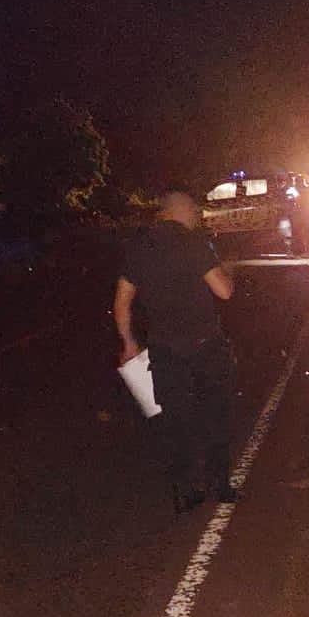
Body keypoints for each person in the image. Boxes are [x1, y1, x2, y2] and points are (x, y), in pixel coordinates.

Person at [114, 189, 238, 514]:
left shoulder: (140, 247)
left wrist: (128, 342)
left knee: (176, 421)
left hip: (165, 350)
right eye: (195, 211)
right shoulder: (194, 244)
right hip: (205, 345)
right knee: (216, 414)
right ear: (184, 211)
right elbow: (223, 291)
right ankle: (220, 485)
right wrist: (229, 269)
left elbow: (123, 300)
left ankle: (186, 490)